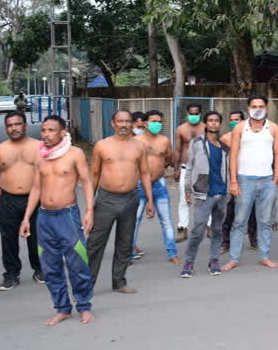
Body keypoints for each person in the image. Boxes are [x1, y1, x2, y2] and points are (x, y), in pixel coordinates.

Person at [20, 115, 95, 325]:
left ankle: (84, 307)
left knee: (77, 263)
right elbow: (36, 188)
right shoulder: (40, 156)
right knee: (50, 267)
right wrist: (26, 218)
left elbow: (87, 181)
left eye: (51, 130)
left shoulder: (75, 154)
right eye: (43, 130)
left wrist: (89, 210)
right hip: (44, 217)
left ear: (63, 132)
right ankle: (62, 308)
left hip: (67, 216)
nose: (45, 135)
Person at [87, 110, 155, 294]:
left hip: (130, 198)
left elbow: (145, 173)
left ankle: (119, 281)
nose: (124, 125)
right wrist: (89, 208)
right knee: (95, 243)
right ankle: (86, 285)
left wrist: (150, 200)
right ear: (113, 124)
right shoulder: (102, 146)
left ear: (133, 124)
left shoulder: (139, 146)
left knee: (125, 242)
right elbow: (93, 176)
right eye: (120, 121)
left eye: (127, 121)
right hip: (106, 199)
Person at [222, 94, 278, 271]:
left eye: (261, 106)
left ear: (266, 107)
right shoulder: (240, 128)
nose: (257, 109)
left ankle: (264, 256)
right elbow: (233, 155)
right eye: (254, 106)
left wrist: (275, 179)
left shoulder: (273, 128)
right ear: (248, 108)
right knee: (239, 221)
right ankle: (234, 258)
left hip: (267, 181)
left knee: (264, 221)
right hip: (244, 180)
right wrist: (233, 181)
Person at [0, 111, 43, 291]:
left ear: (25, 126)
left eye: (17, 124)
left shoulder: (39, 147)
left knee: (36, 236)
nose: (14, 128)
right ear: (6, 129)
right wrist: (9, 187)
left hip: (34, 198)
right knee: (8, 238)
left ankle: (40, 269)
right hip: (8, 199)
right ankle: (11, 274)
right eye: (10, 125)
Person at [180, 111, 229, 278]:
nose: (214, 123)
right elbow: (189, 167)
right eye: (210, 121)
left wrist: (228, 192)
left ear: (219, 124)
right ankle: (189, 262)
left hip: (221, 194)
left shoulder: (224, 148)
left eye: (217, 121)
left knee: (217, 229)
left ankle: (213, 261)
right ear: (206, 124)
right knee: (197, 230)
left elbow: (227, 171)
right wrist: (187, 189)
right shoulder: (197, 143)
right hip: (203, 194)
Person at [131, 110, 180, 264]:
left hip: (159, 183)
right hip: (138, 184)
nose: (157, 124)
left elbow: (167, 159)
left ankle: (172, 253)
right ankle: (128, 254)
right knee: (134, 221)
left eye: (159, 122)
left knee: (166, 221)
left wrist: (156, 170)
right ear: (145, 123)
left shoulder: (164, 141)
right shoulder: (136, 141)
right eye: (153, 121)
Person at [219, 111, 258, 254]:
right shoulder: (224, 138)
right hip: (230, 179)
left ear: (243, 121)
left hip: (248, 177)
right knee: (228, 213)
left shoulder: (251, 137)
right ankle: (225, 243)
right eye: (231, 119)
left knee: (252, 212)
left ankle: (254, 240)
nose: (233, 122)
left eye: (237, 119)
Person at [174, 103, 206, 241]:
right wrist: (176, 169)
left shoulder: (206, 127)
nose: (193, 116)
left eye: (196, 113)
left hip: (203, 169)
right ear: (187, 114)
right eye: (191, 113)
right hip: (186, 168)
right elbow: (178, 150)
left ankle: (209, 226)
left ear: (200, 113)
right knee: (183, 200)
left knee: (205, 198)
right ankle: (182, 228)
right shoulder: (181, 129)